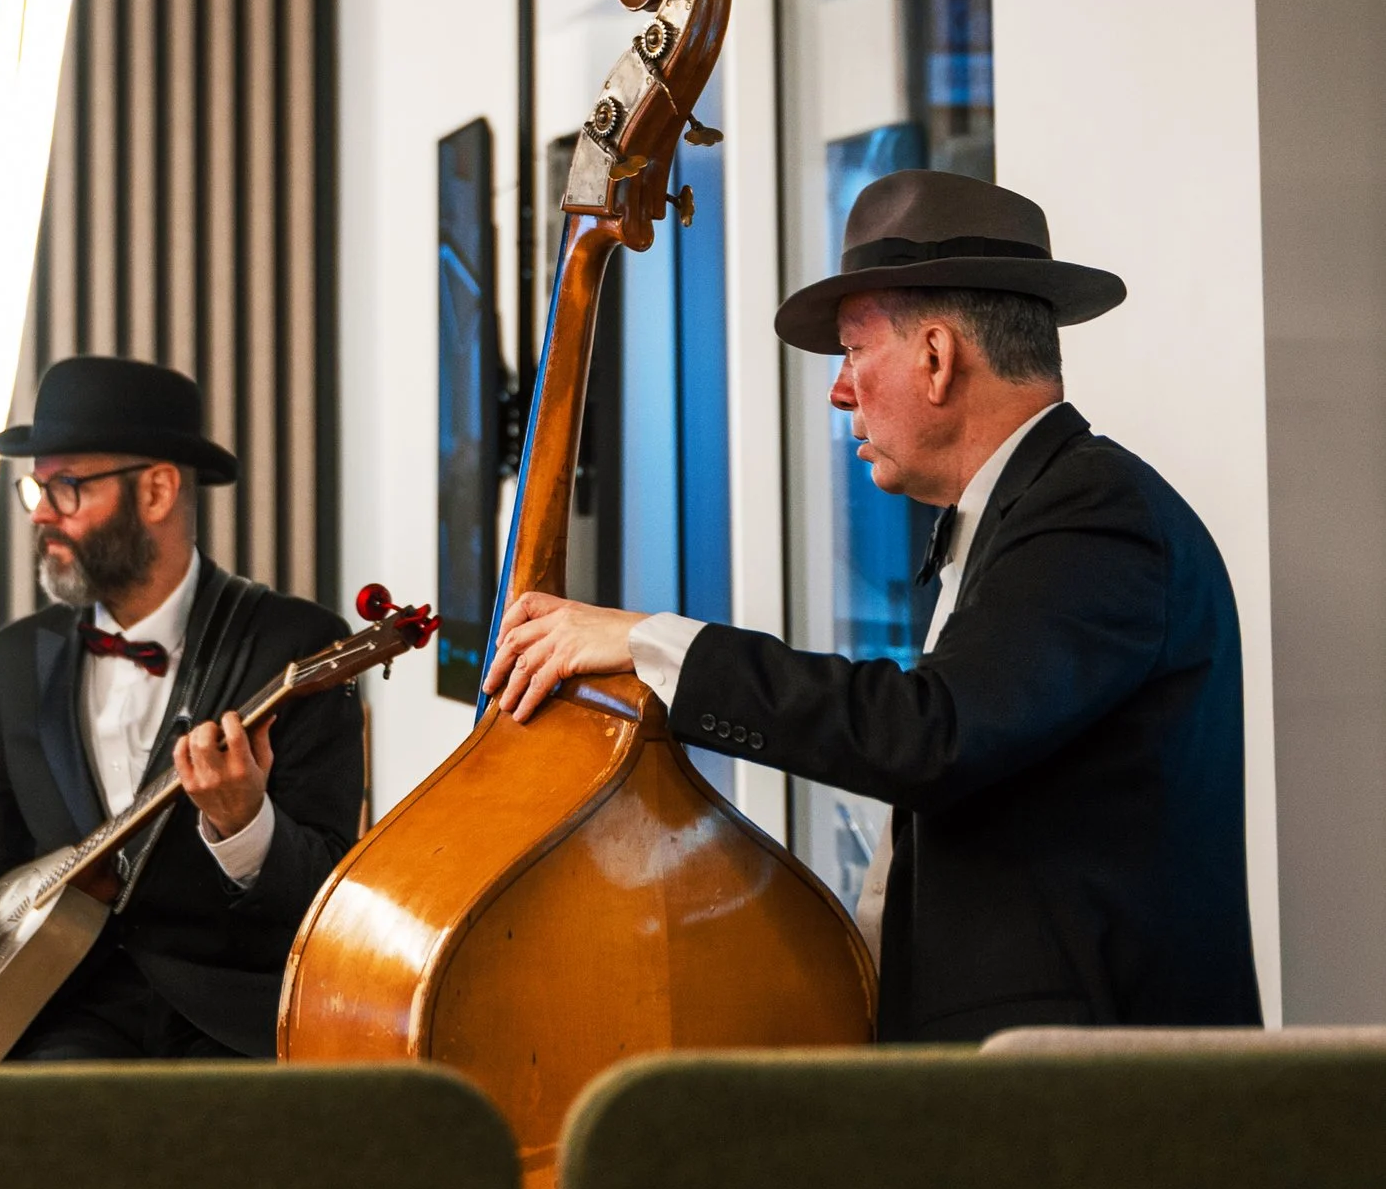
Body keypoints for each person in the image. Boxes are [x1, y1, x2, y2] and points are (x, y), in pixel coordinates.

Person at [485, 170, 1262, 1044]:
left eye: (854, 350)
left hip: (1091, 1096)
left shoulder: (1094, 513)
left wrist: (649, 641)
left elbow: (931, 733)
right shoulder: (1026, 512)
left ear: (936, 356)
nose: (839, 389)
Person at [0, 356, 364, 1059]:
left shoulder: (295, 646)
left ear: (156, 490)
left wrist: (246, 823)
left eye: (66, 487)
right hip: (57, 1007)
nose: (40, 512)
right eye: (35, 487)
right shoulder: (18, 657)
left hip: (232, 1023)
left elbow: (330, 889)